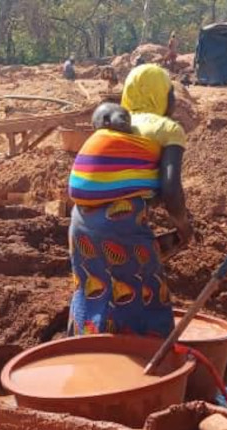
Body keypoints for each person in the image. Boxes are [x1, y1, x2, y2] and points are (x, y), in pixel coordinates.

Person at [66, 65, 191, 337]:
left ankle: (86, 356)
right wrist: (183, 227)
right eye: (170, 93)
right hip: (120, 220)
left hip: (81, 218)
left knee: (92, 287)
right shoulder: (168, 128)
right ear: (162, 96)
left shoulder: (113, 121)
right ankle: (145, 363)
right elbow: (171, 189)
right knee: (144, 291)